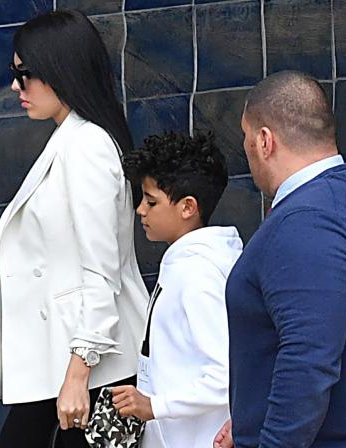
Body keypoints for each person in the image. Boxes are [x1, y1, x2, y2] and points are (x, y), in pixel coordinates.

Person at [0, 10, 148, 448]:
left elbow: (102, 273)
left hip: (91, 366)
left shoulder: (88, 146)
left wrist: (78, 375)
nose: (17, 87)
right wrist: (11, 264)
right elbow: (73, 247)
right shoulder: (72, 138)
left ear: (63, 69)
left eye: (27, 74)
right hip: (69, 359)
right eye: (15, 74)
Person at [216, 70, 346, 448]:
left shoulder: (307, 222)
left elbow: (307, 361)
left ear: (265, 141)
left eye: (246, 138)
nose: (246, 149)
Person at [111, 131, 242, 448]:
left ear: (188, 207)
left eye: (151, 201)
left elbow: (225, 376)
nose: (141, 210)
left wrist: (154, 406)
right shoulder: (186, 263)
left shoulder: (200, 275)